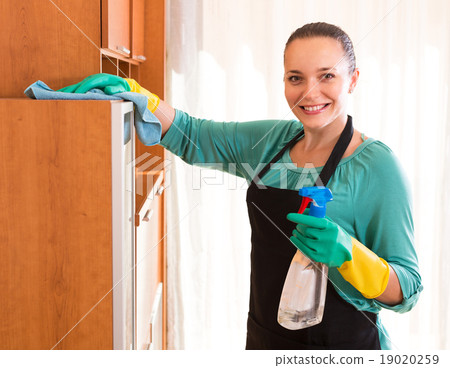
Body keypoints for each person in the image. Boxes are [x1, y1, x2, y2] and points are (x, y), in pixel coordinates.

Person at [64, 22, 422, 349]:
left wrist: (350, 255)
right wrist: (138, 94)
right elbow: (196, 137)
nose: (310, 93)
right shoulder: (273, 140)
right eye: (295, 78)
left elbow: (408, 289)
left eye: (327, 76)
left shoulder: (377, 166)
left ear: (353, 80)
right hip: (266, 337)